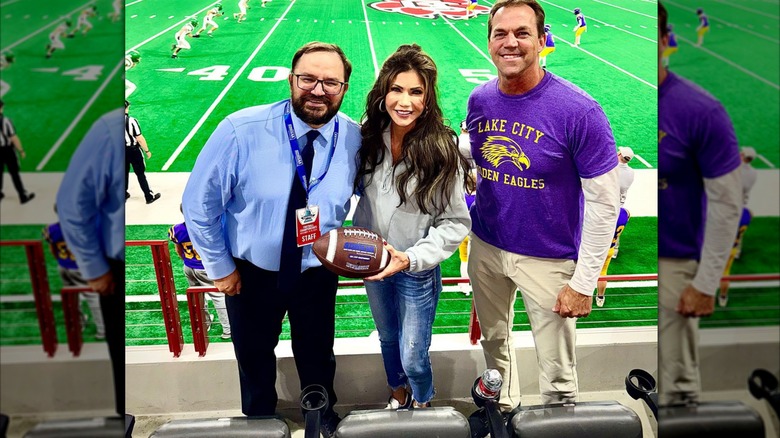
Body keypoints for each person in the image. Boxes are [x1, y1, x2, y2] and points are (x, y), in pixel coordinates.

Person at [182, 42, 360, 437]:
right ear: (291, 80)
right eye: (308, 79)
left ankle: (321, 418)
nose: (318, 91)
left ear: (344, 88)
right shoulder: (240, 130)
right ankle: (259, 423)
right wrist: (220, 268)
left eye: (330, 82)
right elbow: (198, 204)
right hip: (250, 275)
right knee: (253, 356)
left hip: (317, 272)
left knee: (318, 355)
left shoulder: (354, 137)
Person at [466, 0, 619, 423]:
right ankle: (500, 415)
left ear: (541, 39)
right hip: (486, 245)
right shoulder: (480, 100)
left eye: (522, 33)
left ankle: (559, 425)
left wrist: (584, 282)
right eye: (500, 34)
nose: (510, 42)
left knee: (557, 367)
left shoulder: (579, 111)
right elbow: (479, 160)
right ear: (489, 41)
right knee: (494, 347)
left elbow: (605, 202)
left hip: (548, 258)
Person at [353, 44, 472, 410]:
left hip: (415, 270)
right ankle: (398, 392)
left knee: (413, 353)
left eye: (416, 92)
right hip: (373, 263)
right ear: (383, 91)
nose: (405, 101)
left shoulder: (442, 150)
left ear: (428, 97)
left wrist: (410, 258)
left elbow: (455, 221)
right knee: (388, 338)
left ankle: (422, 403)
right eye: (397, 89)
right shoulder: (368, 137)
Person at [658, 2, 742, 405]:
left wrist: (706, 282)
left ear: (664, 40)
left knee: (675, 391)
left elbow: (727, 203)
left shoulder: (701, 110)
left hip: (675, 267)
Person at [56, 108, 126, 416]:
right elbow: (72, 204)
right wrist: (95, 268)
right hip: (113, 266)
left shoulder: (110, 127)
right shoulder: (109, 129)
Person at [169, 204, 231, 339]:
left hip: (189, 267)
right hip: (206, 268)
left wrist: (188, 261)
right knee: (219, 296)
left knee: (197, 297)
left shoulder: (176, 229)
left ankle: (204, 324)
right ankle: (228, 329)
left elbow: (178, 250)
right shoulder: (208, 228)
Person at [44, 209, 106, 339]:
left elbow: (52, 249)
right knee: (93, 297)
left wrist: (62, 261)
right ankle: (102, 329)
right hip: (81, 268)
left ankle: (78, 324)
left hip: (63, 266)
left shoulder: (51, 228)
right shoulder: (84, 228)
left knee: (72, 297)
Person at [124, 100, 161, 204]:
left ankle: (123, 193)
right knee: (140, 174)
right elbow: (139, 138)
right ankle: (148, 196)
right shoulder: (131, 121)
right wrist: (147, 150)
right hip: (134, 151)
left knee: (123, 173)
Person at [0, 99, 35, 204]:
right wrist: (21, 150)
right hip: (7, 150)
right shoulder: (6, 121)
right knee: (14, 173)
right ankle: (22, 196)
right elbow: (14, 137)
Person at [595, 208, 630, 307]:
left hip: (596, 249)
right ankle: (600, 298)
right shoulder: (624, 213)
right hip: (610, 248)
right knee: (603, 273)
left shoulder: (602, 214)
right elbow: (628, 215)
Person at [613, 146, 635, 258]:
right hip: (620, 201)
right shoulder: (631, 172)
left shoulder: (612, 169)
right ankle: (615, 249)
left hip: (609, 200)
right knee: (616, 223)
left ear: (619, 154)